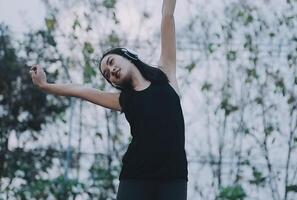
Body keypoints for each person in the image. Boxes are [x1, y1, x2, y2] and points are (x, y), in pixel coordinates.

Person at [29, 0, 188, 199]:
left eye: (111, 62)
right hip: (135, 177)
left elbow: (167, 16)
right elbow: (79, 90)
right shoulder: (124, 100)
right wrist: (45, 86)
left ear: (128, 56)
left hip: (174, 176)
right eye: (107, 74)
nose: (111, 71)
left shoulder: (166, 74)